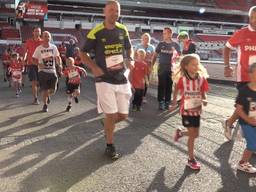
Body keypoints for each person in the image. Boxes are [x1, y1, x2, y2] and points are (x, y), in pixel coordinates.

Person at [80, 0, 134, 160]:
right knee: (110, 114)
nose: (114, 13)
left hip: (122, 77)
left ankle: (107, 125)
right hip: (104, 79)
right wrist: (94, 68)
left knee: (123, 115)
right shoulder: (96, 32)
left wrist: (129, 58)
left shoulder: (123, 29)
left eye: (117, 10)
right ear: (105, 12)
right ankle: (110, 146)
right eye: (111, 10)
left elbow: (128, 47)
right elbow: (83, 53)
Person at [169, 54, 209, 170]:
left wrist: (205, 99)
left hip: (197, 110)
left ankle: (180, 133)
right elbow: (176, 89)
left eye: (197, 64)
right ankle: (191, 159)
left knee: (195, 134)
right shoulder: (182, 79)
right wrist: (173, 103)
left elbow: (203, 91)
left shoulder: (201, 79)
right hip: (186, 110)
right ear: (186, 66)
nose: (196, 66)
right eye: (193, 64)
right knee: (192, 135)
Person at [223, 6, 256, 140]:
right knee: (245, 105)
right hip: (244, 77)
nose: (255, 20)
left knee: (251, 106)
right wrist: (227, 66)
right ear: (249, 17)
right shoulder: (242, 33)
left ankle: (230, 123)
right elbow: (227, 47)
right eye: (253, 17)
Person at [32, 31, 62, 112]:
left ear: (50, 38)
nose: (47, 38)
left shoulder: (54, 47)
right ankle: (45, 105)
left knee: (53, 90)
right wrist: (39, 64)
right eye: (45, 36)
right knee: (45, 89)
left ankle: (48, 95)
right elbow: (33, 60)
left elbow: (58, 57)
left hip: (52, 71)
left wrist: (60, 65)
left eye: (48, 36)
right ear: (42, 38)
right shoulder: (39, 48)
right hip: (42, 71)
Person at [151, 27, 180, 110]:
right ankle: (161, 102)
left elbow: (179, 58)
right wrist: (151, 66)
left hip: (172, 69)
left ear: (170, 34)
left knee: (169, 86)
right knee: (161, 85)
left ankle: (167, 102)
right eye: (163, 33)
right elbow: (155, 56)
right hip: (162, 68)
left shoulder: (176, 45)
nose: (163, 35)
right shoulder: (160, 44)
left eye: (165, 33)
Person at [235, 63, 256, 173]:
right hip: (247, 122)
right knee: (252, 145)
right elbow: (238, 109)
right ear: (250, 74)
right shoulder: (244, 90)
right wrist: (249, 120)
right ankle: (242, 164)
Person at [24, 27, 43, 104]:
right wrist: (24, 58)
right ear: (33, 32)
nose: (36, 32)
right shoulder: (28, 41)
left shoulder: (43, 42)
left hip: (40, 64)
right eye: (35, 31)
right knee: (34, 82)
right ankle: (35, 98)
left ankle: (39, 94)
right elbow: (26, 51)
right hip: (31, 63)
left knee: (39, 83)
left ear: (40, 33)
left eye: (38, 31)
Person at [135, 33, 155, 103]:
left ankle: (143, 96)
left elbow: (153, 58)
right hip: (139, 67)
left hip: (147, 67)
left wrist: (151, 65)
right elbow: (134, 56)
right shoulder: (138, 46)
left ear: (149, 40)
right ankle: (137, 96)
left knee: (146, 82)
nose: (146, 40)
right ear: (142, 39)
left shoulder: (152, 47)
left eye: (147, 39)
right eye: (144, 38)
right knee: (138, 82)